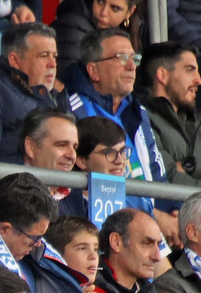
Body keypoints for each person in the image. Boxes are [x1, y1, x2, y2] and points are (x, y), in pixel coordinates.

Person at [60, 28, 168, 212]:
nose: (132, 66)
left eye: (135, 59)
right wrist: (153, 216)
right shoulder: (70, 109)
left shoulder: (138, 112)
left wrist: (172, 211)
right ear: (94, 70)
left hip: (150, 218)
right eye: (122, 58)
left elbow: (157, 174)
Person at [138, 42, 201, 192]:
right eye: (190, 70)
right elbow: (166, 177)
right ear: (162, 76)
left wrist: (191, 165)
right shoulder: (142, 119)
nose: (199, 80)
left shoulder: (194, 123)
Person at [0, 23, 62, 164]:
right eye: (44, 56)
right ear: (14, 60)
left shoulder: (58, 99)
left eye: (54, 57)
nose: (53, 64)